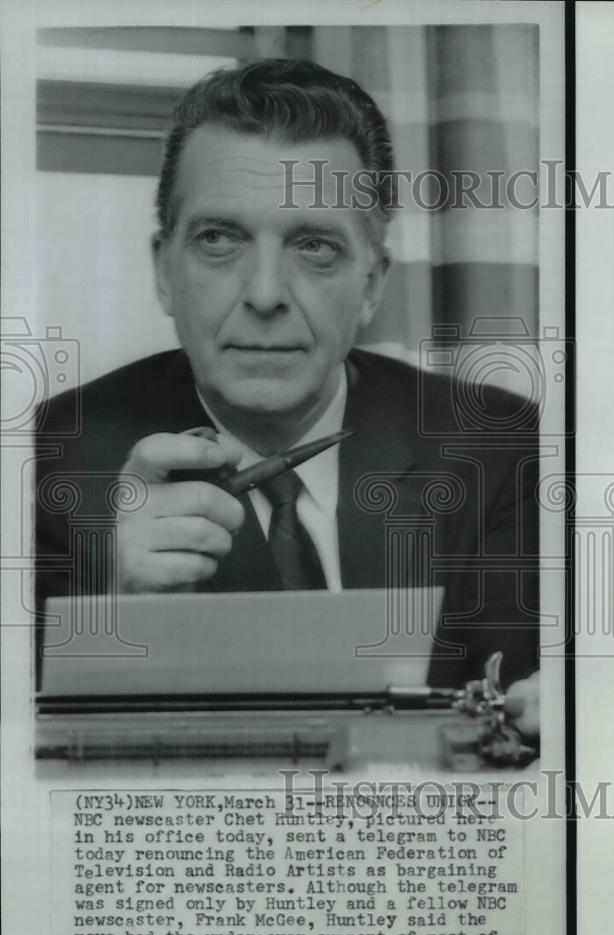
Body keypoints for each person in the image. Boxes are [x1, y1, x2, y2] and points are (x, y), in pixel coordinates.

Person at [35, 58, 539, 728]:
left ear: (372, 285)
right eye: (219, 240)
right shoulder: (43, 458)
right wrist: (116, 625)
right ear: (163, 271)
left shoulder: (500, 445)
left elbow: (522, 707)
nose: (266, 294)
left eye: (315, 246)